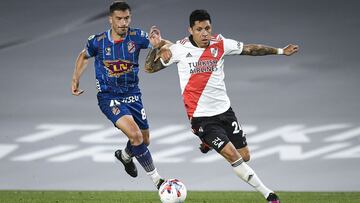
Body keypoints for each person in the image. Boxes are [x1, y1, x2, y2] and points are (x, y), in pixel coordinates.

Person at [145, 9, 299, 202]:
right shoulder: (178, 50)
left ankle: (208, 143)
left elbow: (250, 49)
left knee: (245, 156)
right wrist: (156, 46)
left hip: (225, 112)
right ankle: (269, 194)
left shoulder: (221, 43)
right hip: (201, 118)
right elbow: (150, 68)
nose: (204, 33)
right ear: (190, 30)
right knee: (233, 156)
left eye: (207, 28)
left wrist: (280, 51)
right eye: (199, 29)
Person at [71, 1, 164, 189]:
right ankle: (158, 181)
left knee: (144, 141)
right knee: (136, 136)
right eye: (119, 18)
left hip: (133, 94)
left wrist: (162, 45)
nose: (123, 22)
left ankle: (125, 156)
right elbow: (83, 56)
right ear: (110, 19)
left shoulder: (137, 36)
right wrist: (75, 80)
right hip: (109, 96)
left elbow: (161, 44)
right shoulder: (97, 41)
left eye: (127, 18)